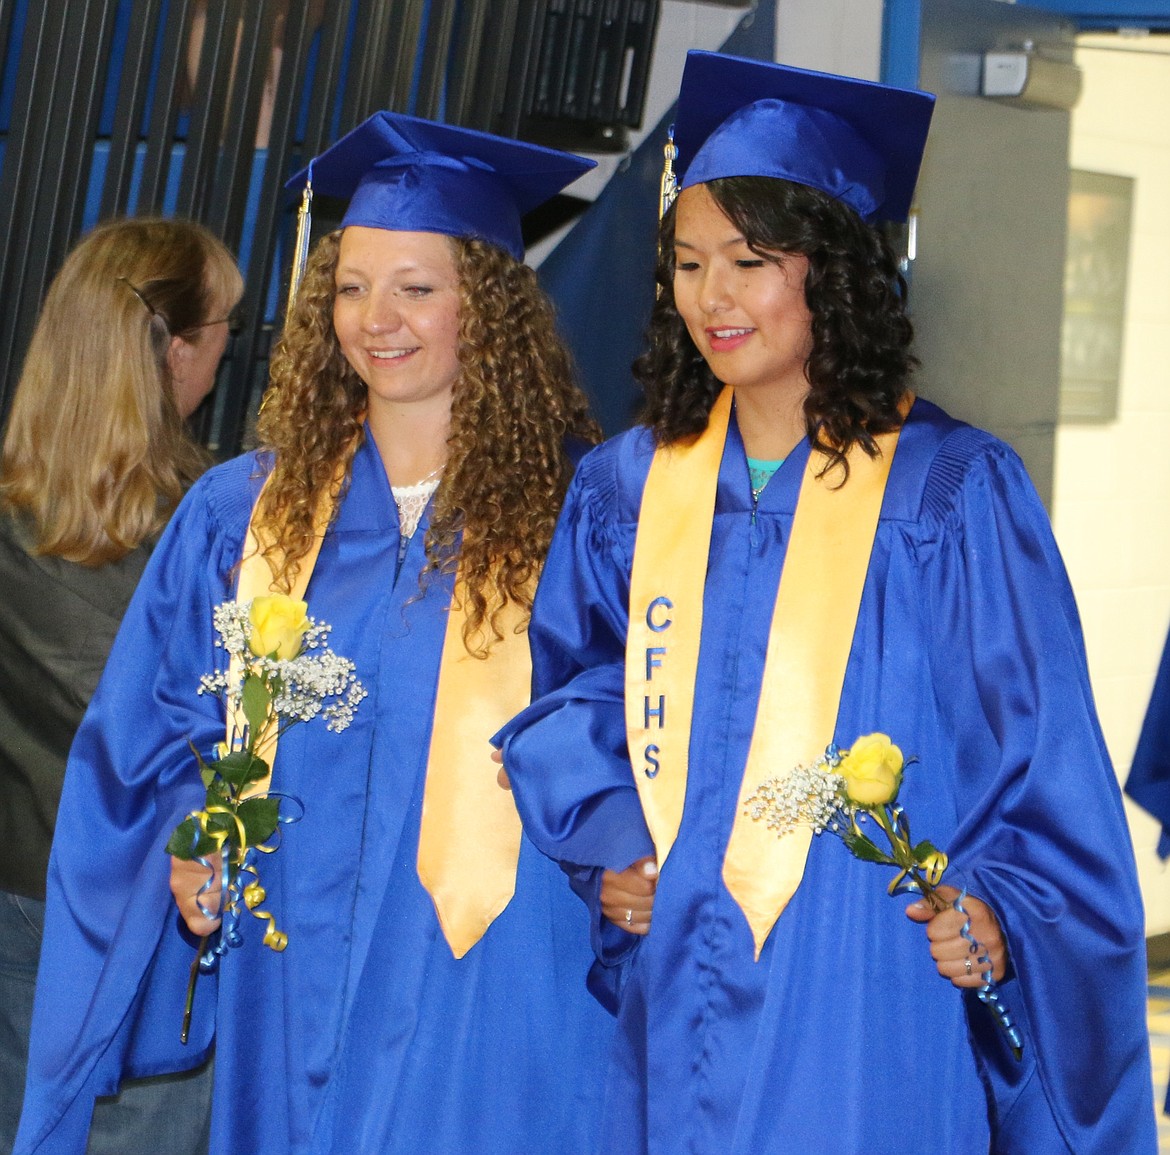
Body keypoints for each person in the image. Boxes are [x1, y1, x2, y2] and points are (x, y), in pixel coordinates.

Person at [493, 50, 1157, 1154]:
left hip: (865, 972)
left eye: (751, 261)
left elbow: (1039, 755)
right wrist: (611, 840)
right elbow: (573, 686)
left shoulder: (949, 493)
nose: (714, 296)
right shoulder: (627, 489)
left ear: (831, 274)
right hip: (679, 960)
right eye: (690, 262)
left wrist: (998, 908)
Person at [16, 113, 611, 1155]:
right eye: (351, 286)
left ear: (491, 307)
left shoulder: (581, 516)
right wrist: (190, 836)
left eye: (417, 288)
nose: (376, 318)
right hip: (289, 964)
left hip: (494, 964)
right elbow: (154, 726)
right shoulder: (244, 513)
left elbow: (628, 716)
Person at [0, 216, 242, 1154]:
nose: (229, 354)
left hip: (22, 895)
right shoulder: (220, 525)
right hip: (157, 912)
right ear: (176, 351)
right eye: (227, 328)